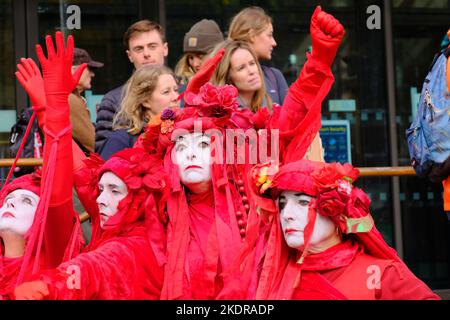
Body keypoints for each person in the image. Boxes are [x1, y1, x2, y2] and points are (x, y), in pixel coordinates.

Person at [13, 32, 167, 300]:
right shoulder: (111, 209)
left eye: (175, 89)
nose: (102, 199)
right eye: (168, 91)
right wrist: (50, 110)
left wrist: (48, 287)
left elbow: (90, 267)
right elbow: (82, 174)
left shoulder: (132, 242)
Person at [249, 160, 440, 300]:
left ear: (337, 213)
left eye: (303, 202)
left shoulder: (381, 274)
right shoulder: (270, 275)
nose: (287, 214)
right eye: (281, 204)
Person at [1, 37, 87, 299]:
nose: (11, 205)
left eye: (26, 199)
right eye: (6, 200)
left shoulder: (53, 252)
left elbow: (57, 186)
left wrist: (54, 108)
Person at [95, 20, 168, 152]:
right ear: (130, 56)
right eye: (139, 49)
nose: (146, 54)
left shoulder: (185, 93)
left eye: (152, 46)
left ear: (165, 49)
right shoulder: (113, 101)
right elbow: (106, 158)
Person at [98, 65, 178, 160]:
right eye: (166, 92)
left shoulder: (182, 134)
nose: (176, 97)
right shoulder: (120, 140)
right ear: (146, 101)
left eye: (176, 90)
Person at [228, 6, 289, 105]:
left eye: (252, 64)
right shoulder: (220, 84)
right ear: (252, 35)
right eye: (269, 35)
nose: (274, 43)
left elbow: (291, 116)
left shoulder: (274, 76)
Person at [211, 40, 273, 112]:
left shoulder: (270, 106)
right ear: (228, 78)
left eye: (252, 63)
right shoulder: (222, 115)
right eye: (241, 68)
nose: (251, 71)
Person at [70, 48, 103, 155]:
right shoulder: (70, 99)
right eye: (89, 69)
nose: (92, 74)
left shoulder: (71, 97)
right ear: (74, 70)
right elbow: (93, 143)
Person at [175, 19, 224, 86]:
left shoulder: (234, 81)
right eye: (191, 57)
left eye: (201, 56)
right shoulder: (180, 87)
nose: (195, 64)